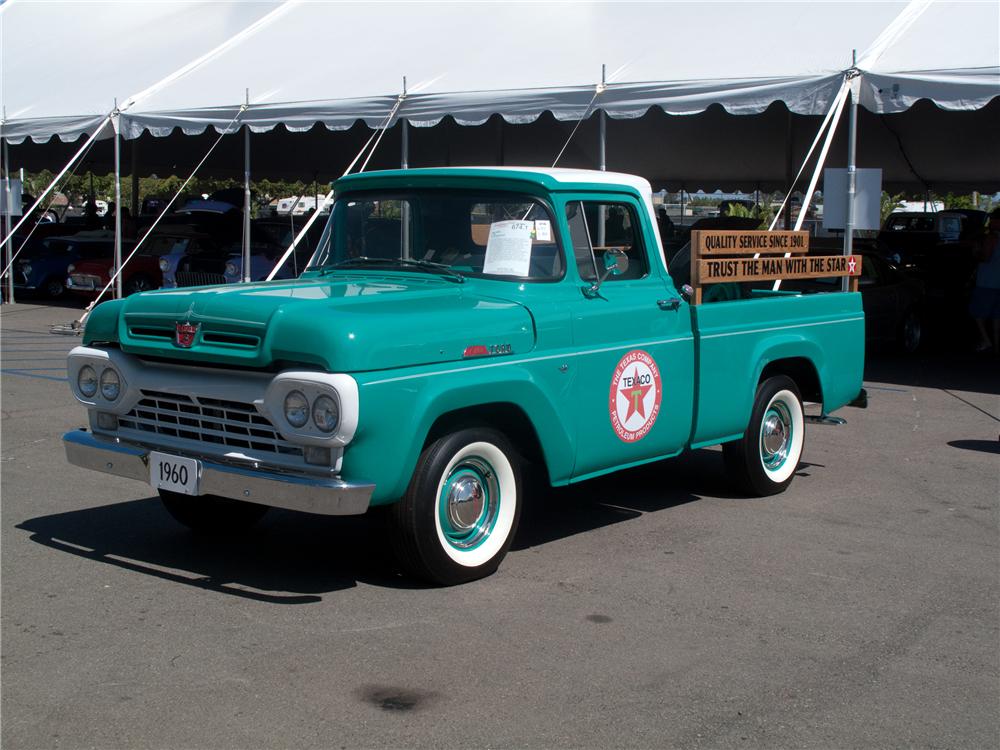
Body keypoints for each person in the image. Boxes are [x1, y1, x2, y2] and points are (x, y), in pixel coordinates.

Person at [969, 208, 1000, 354]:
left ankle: (987, 341)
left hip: (987, 281)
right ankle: (996, 344)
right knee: (997, 316)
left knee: (978, 313)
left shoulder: (991, 238)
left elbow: (985, 258)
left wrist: (976, 252)